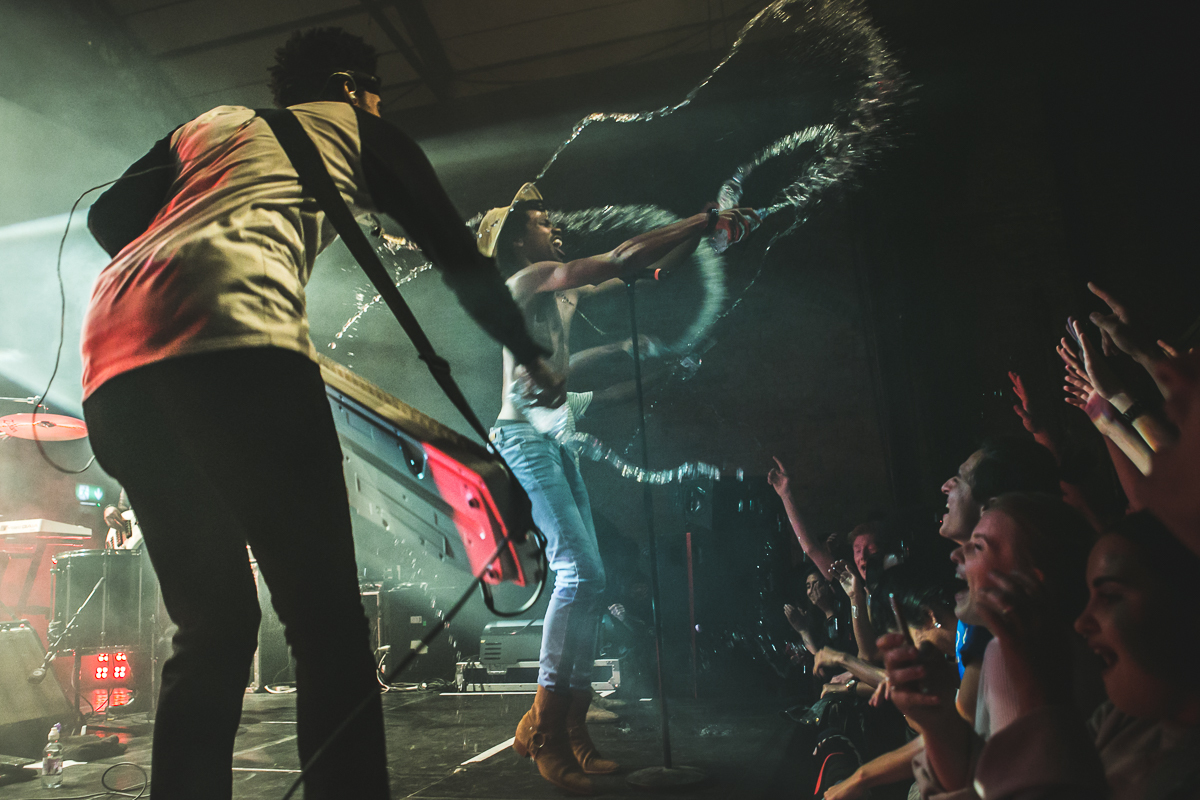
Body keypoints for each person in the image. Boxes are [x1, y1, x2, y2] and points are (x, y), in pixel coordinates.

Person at [80, 28, 562, 800]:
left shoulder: (211, 125)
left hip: (115, 366)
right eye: (374, 94)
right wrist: (528, 350)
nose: (378, 107)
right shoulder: (357, 128)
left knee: (212, 628)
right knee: (326, 626)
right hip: (237, 348)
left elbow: (108, 219)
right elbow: (454, 251)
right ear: (352, 87)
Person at [477, 183, 759, 794]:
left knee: (594, 578)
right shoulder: (525, 284)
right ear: (515, 240)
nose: (554, 226)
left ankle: (572, 731)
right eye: (542, 222)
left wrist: (699, 239)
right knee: (577, 569)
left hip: (554, 435)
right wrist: (703, 214)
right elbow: (622, 258)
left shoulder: (562, 289)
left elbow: (646, 268)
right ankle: (546, 730)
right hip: (523, 438)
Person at [879, 493, 1099, 798]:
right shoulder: (1000, 650)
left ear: (1027, 584)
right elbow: (974, 776)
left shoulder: (1032, 662)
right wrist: (939, 722)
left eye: (977, 546)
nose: (956, 556)